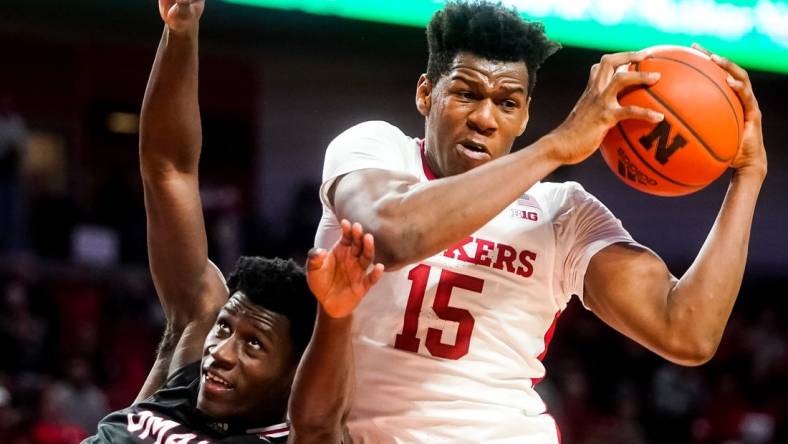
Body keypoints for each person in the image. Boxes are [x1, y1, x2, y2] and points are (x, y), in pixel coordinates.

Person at [314, 1, 767, 442]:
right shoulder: (376, 149)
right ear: (426, 93)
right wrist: (556, 147)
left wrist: (748, 176)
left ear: (525, 115)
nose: (485, 119)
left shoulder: (561, 212)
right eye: (466, 94)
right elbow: (389, 237)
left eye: (507, 103)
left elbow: (687, 332)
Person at [86, 0, 384, 442]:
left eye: (254, 345)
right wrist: (181, 32)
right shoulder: (194, 349)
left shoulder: (296, 435)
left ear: (294, 377)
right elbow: (169, 170)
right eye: (225, 328)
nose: (221, 352)